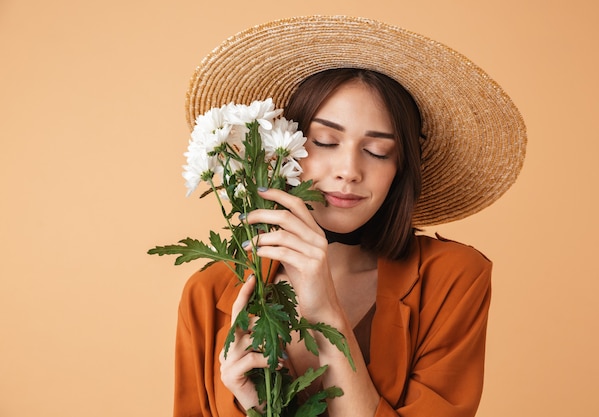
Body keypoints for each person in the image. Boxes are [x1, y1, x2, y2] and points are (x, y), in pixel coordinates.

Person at [174, 16, 526, 417]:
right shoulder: (208, 295)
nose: (349, 170)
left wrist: (327, 313)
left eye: (377, 151)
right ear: (279, 151)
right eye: (325, 141)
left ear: (400, 171)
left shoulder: (454, 279)